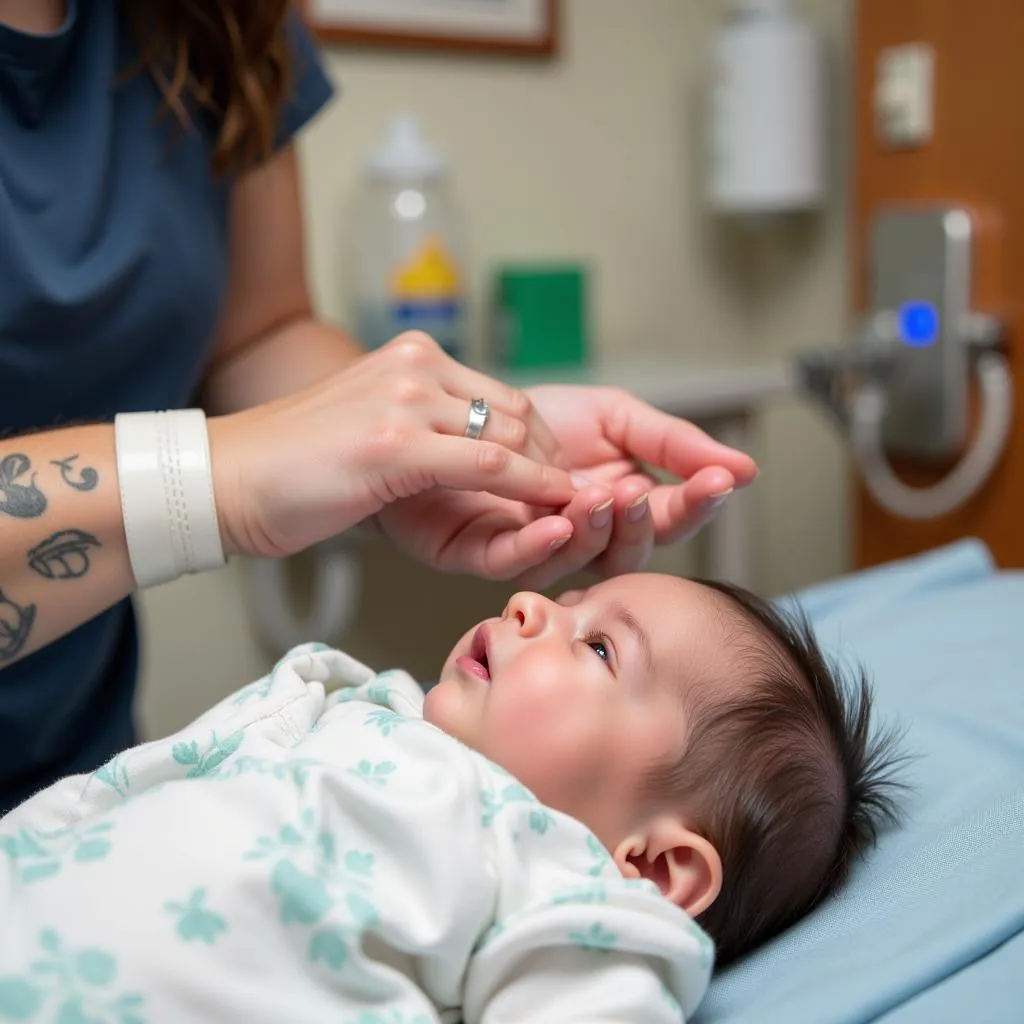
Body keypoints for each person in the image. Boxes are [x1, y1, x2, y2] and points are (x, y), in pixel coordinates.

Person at [0, 1, 759, 815]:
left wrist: (454, 441)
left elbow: (258, 333)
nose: (532, 606)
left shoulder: (222, 19)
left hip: (67, 788)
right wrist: (215, 482)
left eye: (600, 642)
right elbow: (235, 460)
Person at [0, 572, 906, 1021]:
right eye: (571, 597)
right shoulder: (363, 709)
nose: (528, 603)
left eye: (599, 649)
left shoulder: (561, 890)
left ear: (657, 865)